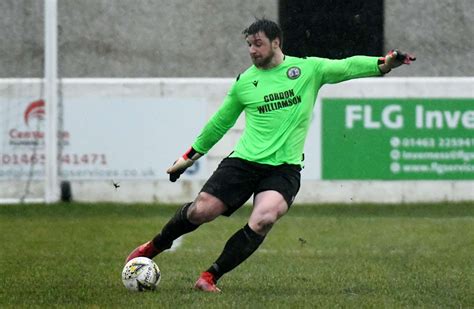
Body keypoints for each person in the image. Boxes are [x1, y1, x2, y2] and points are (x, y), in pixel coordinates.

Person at [125, 18, 416, 292]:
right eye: (249, 45)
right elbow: (220, 122)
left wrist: (383, 63)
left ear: (276, 42)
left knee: (264, 218)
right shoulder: (245, 82)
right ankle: (154, 247)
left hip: (284, 169)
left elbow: (347, 66)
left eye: (258, 44)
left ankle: (209, 276)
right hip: (243, 163)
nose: (252, 50)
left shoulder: (308, 70)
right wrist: (189, 156)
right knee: (202, 210)